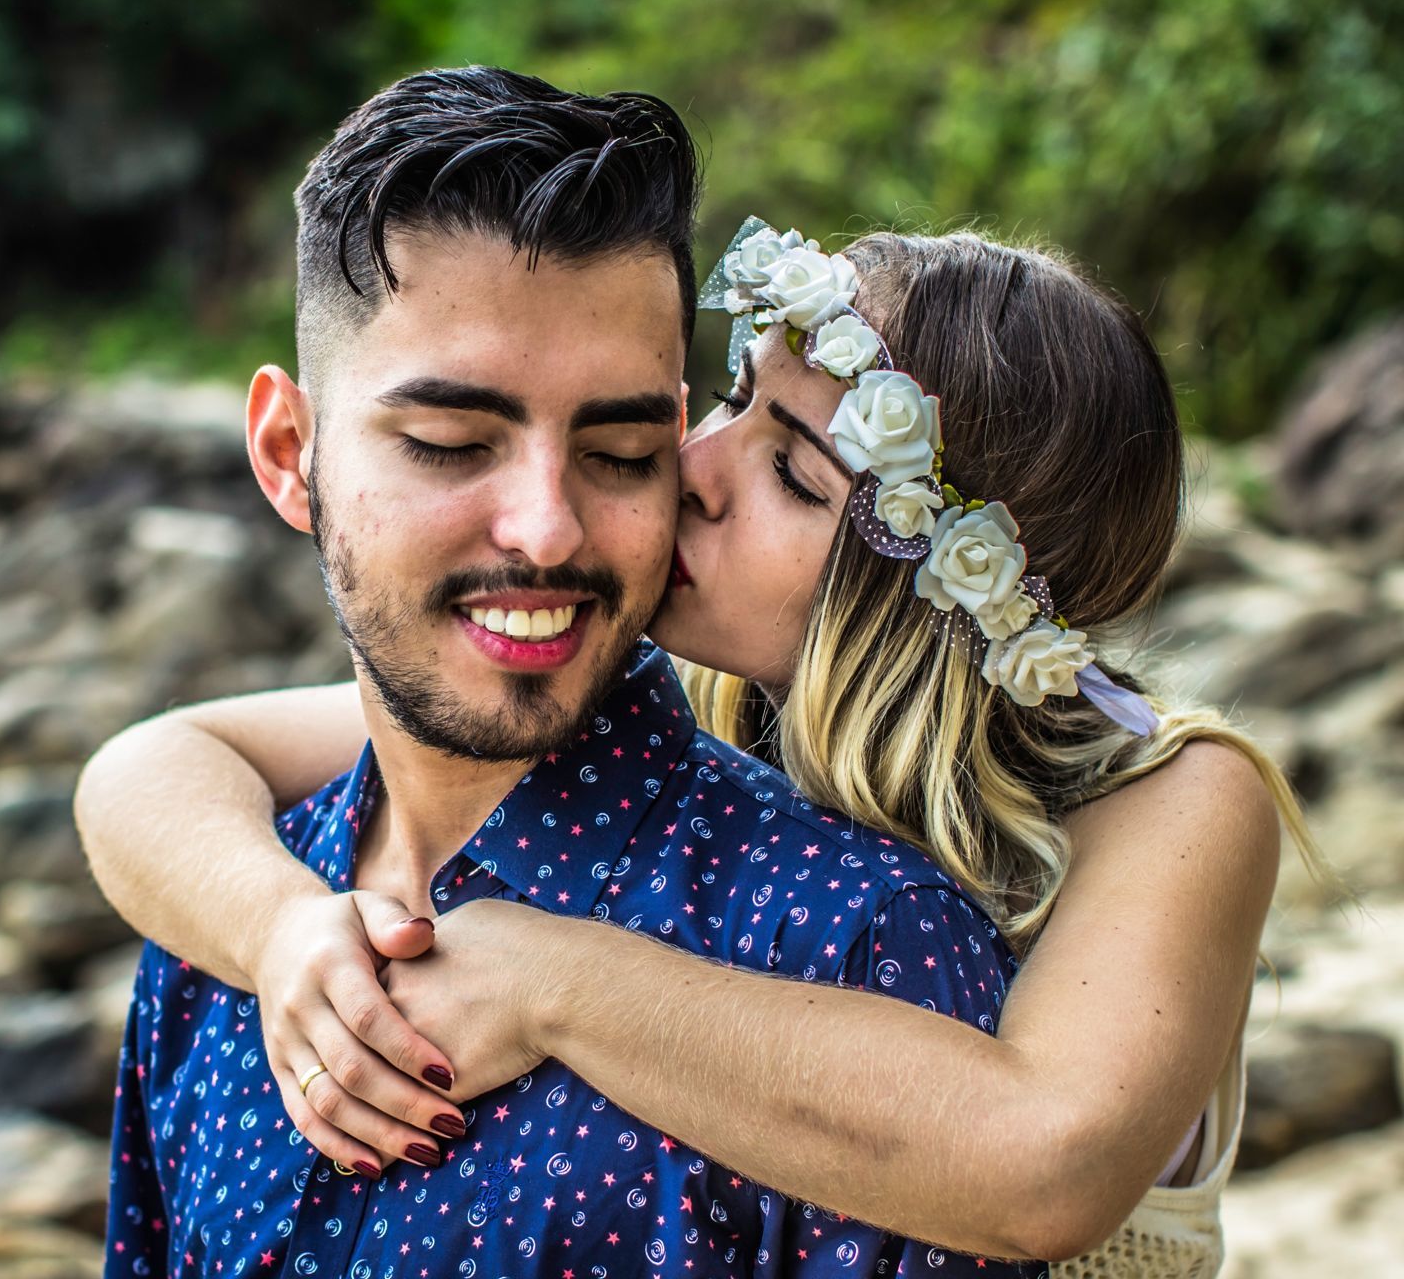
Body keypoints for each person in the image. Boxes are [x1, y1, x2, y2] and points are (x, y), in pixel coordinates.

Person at [95, 66, 1043, 1279]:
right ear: (291, 455)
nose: (547, 528)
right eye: (451, 443)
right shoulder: (218, 920)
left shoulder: (853, 945)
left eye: (622, 450)